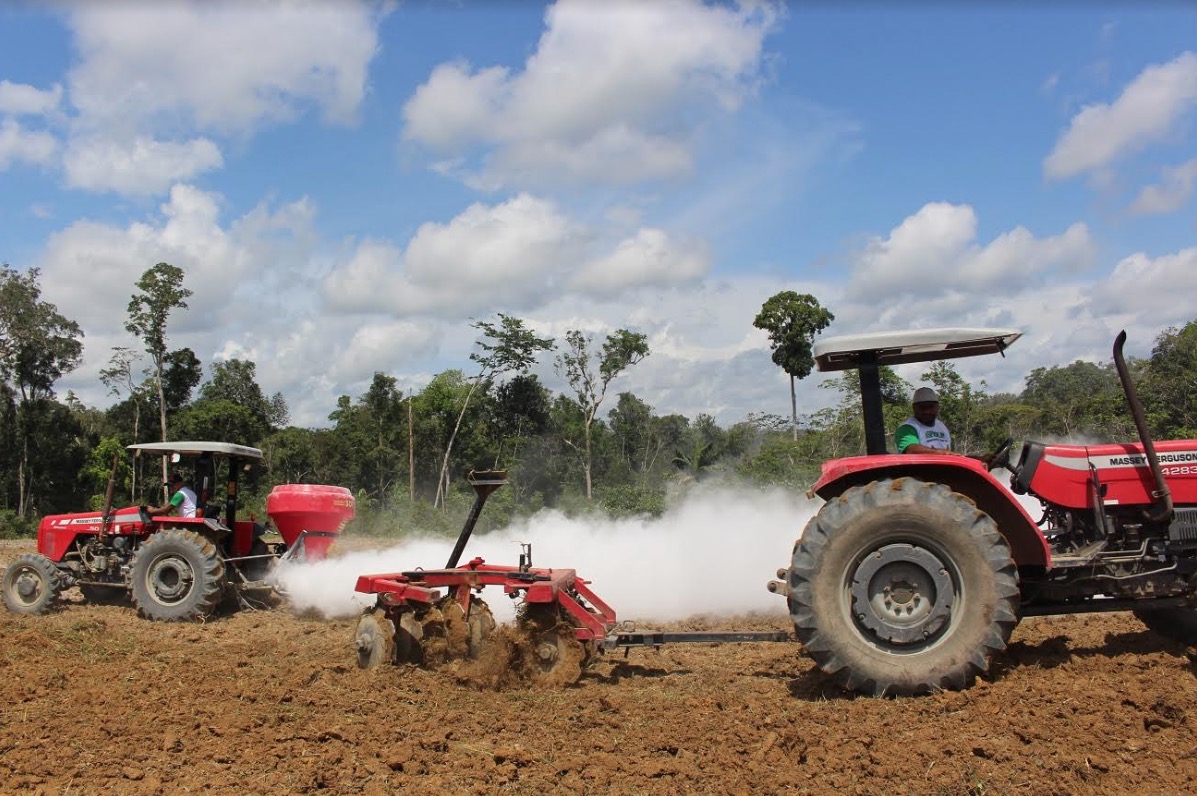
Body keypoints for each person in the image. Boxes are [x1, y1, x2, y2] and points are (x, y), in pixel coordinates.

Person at [894, 387, 955, 455]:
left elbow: (952, 451)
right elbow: (911, 450)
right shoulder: (907, 428)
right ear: (914, 408)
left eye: (931, 407)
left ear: (937, 407)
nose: (927, 411)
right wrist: (941, 453)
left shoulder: (942, 426)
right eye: (922, 407)